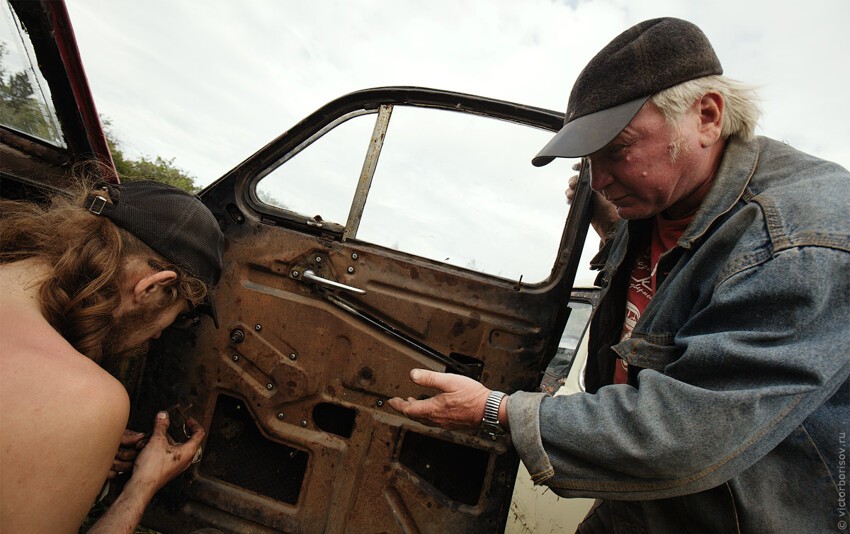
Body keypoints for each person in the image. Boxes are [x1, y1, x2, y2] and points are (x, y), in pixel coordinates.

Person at [389, 17, 849, 532]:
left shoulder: (803, 241)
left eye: (616, 150)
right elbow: (671, 295)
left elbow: (687, 432)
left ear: (707, 116)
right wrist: (614, 238)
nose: (600, 180)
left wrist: (498, 411)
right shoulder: (661, 201)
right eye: (589, 161)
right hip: (642, 500)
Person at [0, 178, 225, 533]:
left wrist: (69, 444)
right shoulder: (84, 399)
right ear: (152, 287)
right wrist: (142, 485)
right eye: (178, 316)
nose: (161, 332)